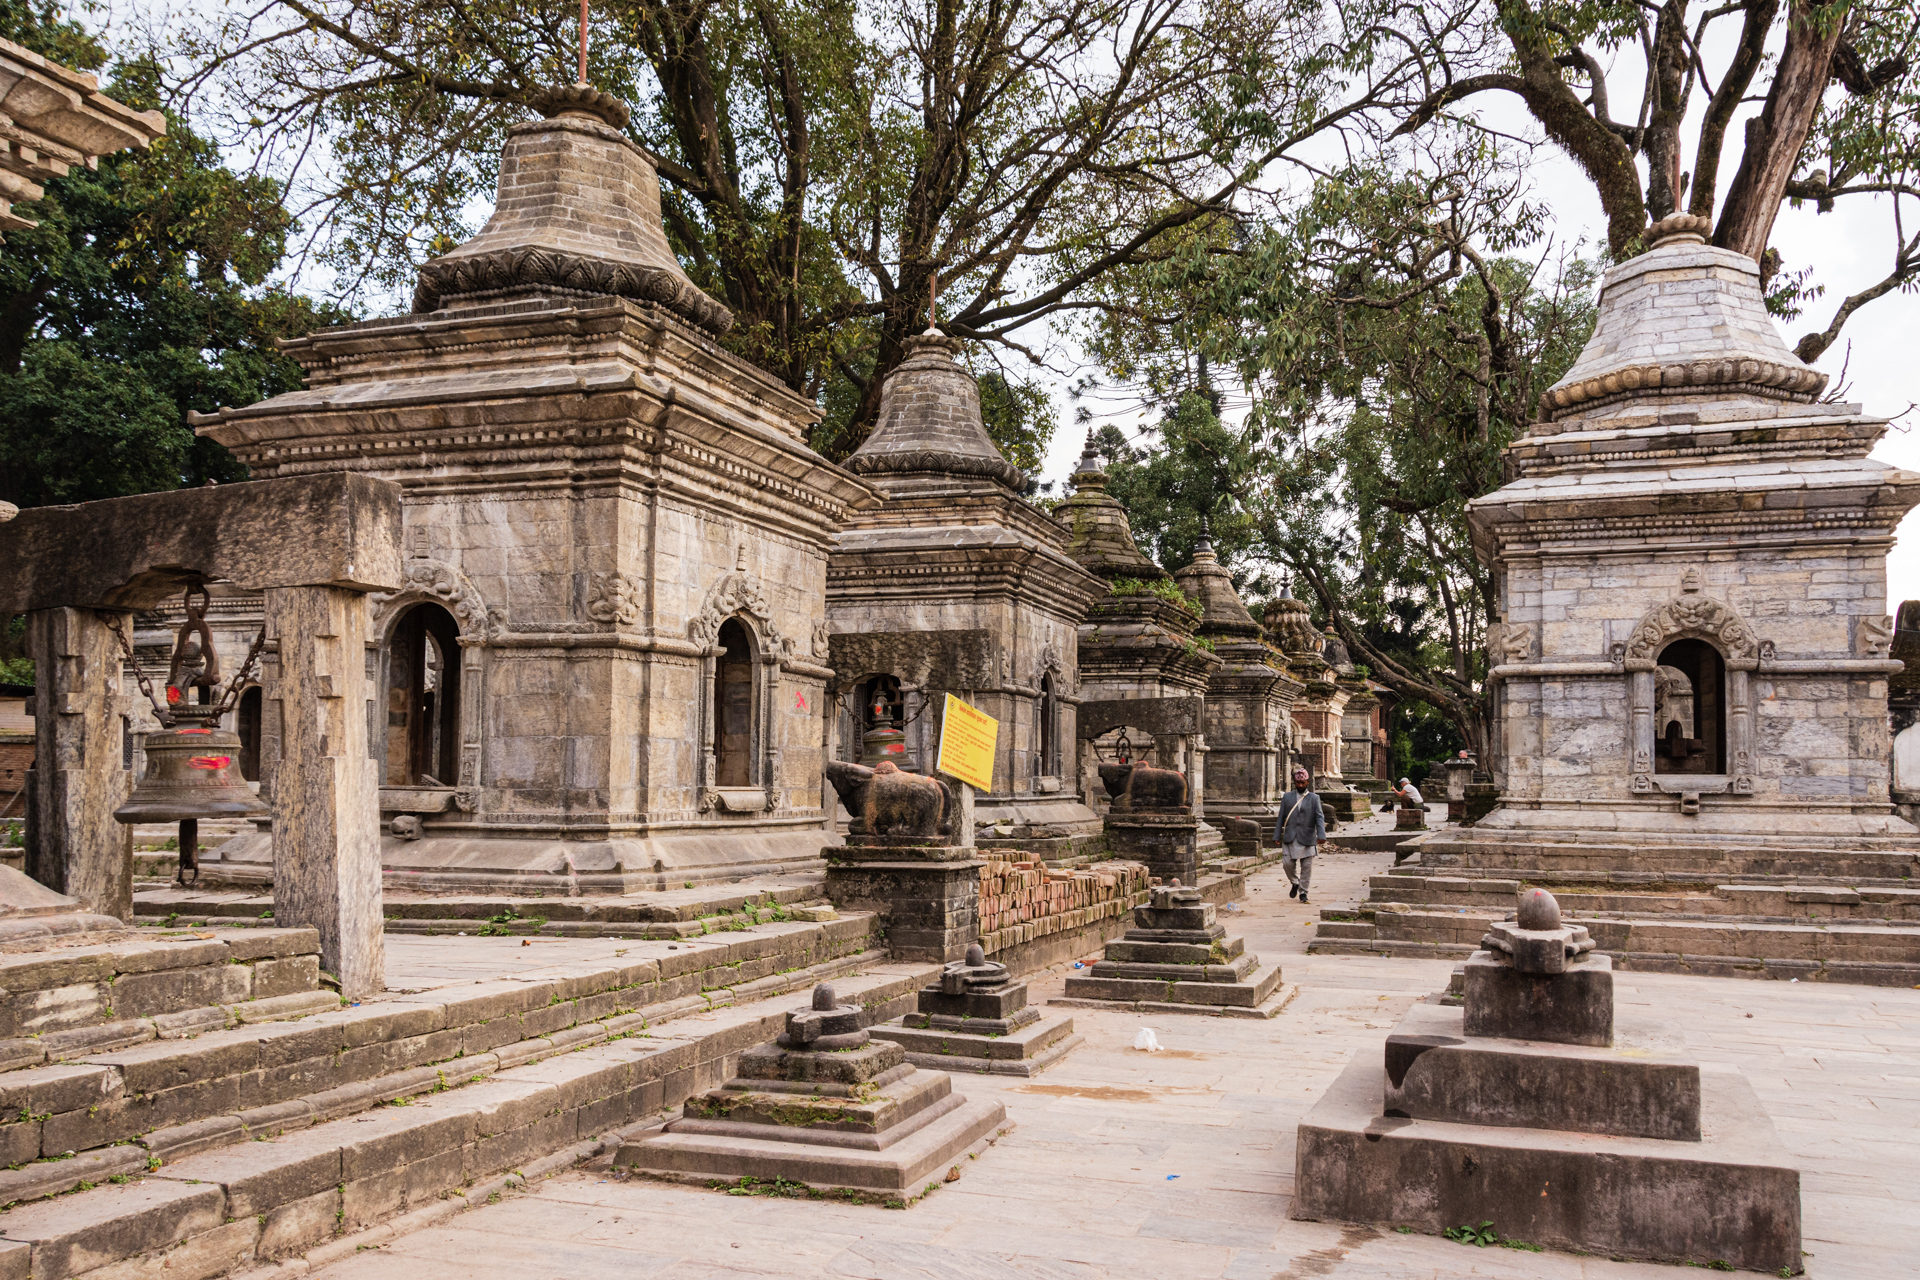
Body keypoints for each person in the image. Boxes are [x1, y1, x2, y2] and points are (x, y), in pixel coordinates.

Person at [1274, 766, 1324, 903]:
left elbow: (1319, 817)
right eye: (1298, 783)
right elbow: (1281, 817)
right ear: (1294, 783)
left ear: (1308, 782)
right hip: (1290, 836)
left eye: (1303, 783)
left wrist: (1321, 835)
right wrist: (1277, 835)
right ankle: (1295, 882)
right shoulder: (1287, 797)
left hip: (1307, 836)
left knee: (1306, 867)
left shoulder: (1314, 798)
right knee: (1287, 863)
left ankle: (1303, 892)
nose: (1300, 785)